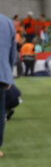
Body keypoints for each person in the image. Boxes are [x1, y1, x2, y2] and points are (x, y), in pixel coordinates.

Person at [1, 13, 17, 159]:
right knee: (0, 113)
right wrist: (8, 75)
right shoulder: (7, 22)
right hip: (1, 75)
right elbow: (13, 53)